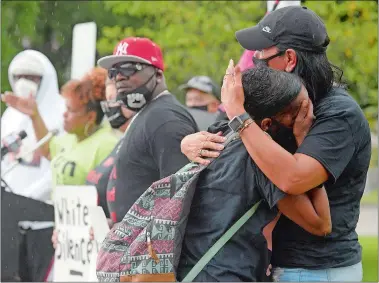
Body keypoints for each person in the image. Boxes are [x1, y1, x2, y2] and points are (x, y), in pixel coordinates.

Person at [181, 6, 371, 282]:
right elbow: (223, 133)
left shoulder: (338, 114)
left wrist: (240, 117)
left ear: (290, 59)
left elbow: (294, 178)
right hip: (276, 265)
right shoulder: (275, 105)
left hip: (316, 270)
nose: (255, 61)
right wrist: (187, 142)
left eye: (262, 55)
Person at [177, 66, 331, 282]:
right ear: (267, 124)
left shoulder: (222, 134)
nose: (310, 118)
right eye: (301, 113)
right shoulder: (264, 162)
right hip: (226, 275)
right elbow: (321, 224)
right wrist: (306, 146)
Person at [97, 37, 198, 223]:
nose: (119, 76)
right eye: (113, 72)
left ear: (158, 75)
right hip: (132, 244)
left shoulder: (166, 118)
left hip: (151, 250)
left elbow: (179, 202)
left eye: (127, 68)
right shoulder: (149, 113)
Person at [2, 67, 119, 191]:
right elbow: (47, 150)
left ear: (91, 117)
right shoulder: (71, 138)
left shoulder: (108, 145)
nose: (64, 114)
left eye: (71, 110)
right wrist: (34, 115)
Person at [1, 50, 65, 202]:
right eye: (19, 77)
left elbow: (59, 166)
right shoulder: (10, 115)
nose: (23, 82)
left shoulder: (64, 112)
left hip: (45, 206)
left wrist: (27, 198)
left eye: (30, 77)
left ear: (45, 79)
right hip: (7, 206)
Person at [85, 77, 135, 220]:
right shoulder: (121, 140)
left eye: (116, 101)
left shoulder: (115, 141)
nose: (111, 108)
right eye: (108, 102)